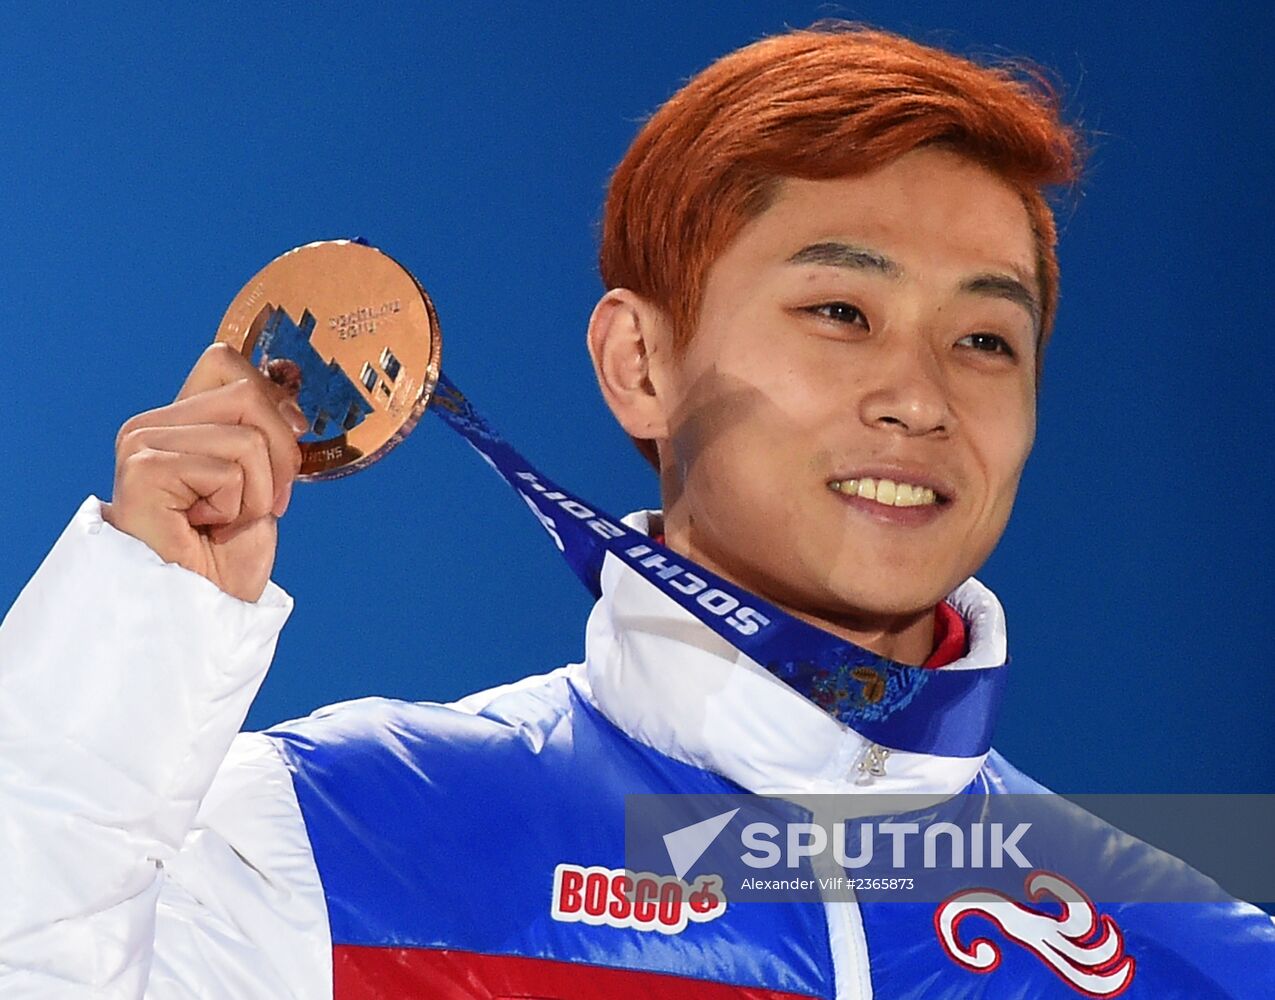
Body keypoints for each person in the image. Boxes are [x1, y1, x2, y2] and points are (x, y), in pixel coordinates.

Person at [1, 22, 1271, 1000]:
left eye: (987, 338)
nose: (919, 397)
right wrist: (139, 626)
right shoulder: (345, 840)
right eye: (841, 311)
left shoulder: (1196, 949)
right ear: (640, 364)